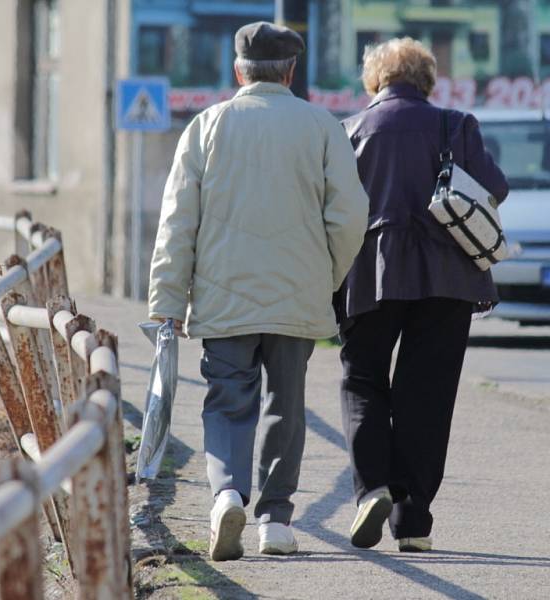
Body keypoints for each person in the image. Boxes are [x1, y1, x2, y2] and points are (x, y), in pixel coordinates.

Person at [147, 21, 369, 561]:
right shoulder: (322, 127)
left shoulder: (207, 126)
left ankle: (226, 493)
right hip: (297, 294)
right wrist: (327, 278)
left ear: (236, 70)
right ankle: (275, 519)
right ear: (291, 71)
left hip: (223, 296)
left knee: (226, 399)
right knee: (285, 405)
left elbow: (178, 221)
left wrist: (168, 302)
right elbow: (350, 217)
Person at [337, 37, 509, 552]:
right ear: (426, 79)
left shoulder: (350, 130)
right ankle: (414, 523)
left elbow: (334, 207)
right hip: (449, 276)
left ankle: (372, 488)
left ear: (375, 79)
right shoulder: (455, 124)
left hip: (372, 271)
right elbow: (494, 188)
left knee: (362, 377)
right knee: (427, 395)